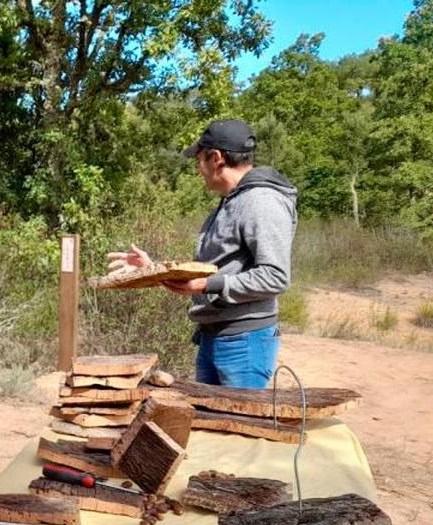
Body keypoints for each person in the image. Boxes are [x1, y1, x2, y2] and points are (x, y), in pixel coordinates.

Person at [107, 119, 298, 388]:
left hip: (243, 341)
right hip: (215, 335)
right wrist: (153, 268)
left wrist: (208, 285)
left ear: (216, 158)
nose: (199, 169)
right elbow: (219, 265)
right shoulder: (232, 200)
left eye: (199, 159)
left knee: (238, 427)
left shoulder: (261, 201)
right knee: (208, 423)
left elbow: (275, 277)